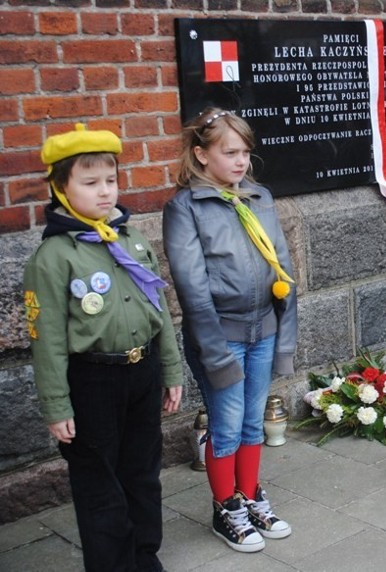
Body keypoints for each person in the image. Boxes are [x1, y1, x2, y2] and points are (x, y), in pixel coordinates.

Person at [23, 124, 183, 571]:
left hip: (141, 372)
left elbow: (160, 314)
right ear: (60, 188)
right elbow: (47, 338)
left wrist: (170, 372)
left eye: (111, 180)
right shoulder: (54, 257)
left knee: (142, 476)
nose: (105, 192)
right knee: (100, 485)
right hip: (92, 381)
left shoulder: (130, 240)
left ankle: (144, 557)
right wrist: (57, 405)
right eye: (90, 183)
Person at [163, 108, 297, 553]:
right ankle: (226, 508)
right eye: (230, 152)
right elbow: (192, 288)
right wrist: (215, 352)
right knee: (227, 424)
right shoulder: (185, 208)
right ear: (201, 154)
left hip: (263, 331)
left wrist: (284, 336)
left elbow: (284, 268)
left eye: (245, 152)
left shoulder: (259, 197)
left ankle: (250, 493)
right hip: (220, 337)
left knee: (253, 422)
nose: (241, 162)